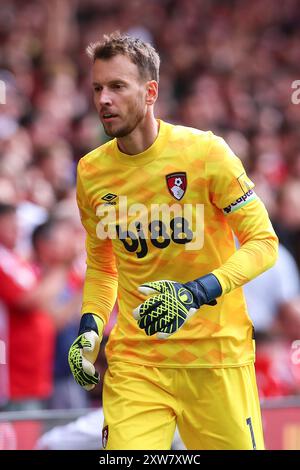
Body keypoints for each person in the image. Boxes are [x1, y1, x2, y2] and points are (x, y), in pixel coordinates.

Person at [68, 32, 278, 450]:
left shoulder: (205, 153)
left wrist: (195, 293)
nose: (103, 99)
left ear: (150, 93)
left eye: (116, 87)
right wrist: (89, 326)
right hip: (137, 362)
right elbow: (103, 265)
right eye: (97, 88)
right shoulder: (91, 172)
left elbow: (263, 243)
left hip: (216, 357)